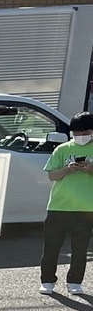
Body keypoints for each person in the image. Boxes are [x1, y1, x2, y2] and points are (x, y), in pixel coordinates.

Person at [40, 110, 93, 296]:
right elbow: (52, 175)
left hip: (86, 208)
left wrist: (90, 169)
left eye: (85, 133)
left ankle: (75, 282)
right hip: (58, 206)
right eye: (77, 133)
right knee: (51, 247)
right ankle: (47, 281)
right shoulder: (62, 149)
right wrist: (68, 169)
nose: (80, 136)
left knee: (80, 249)